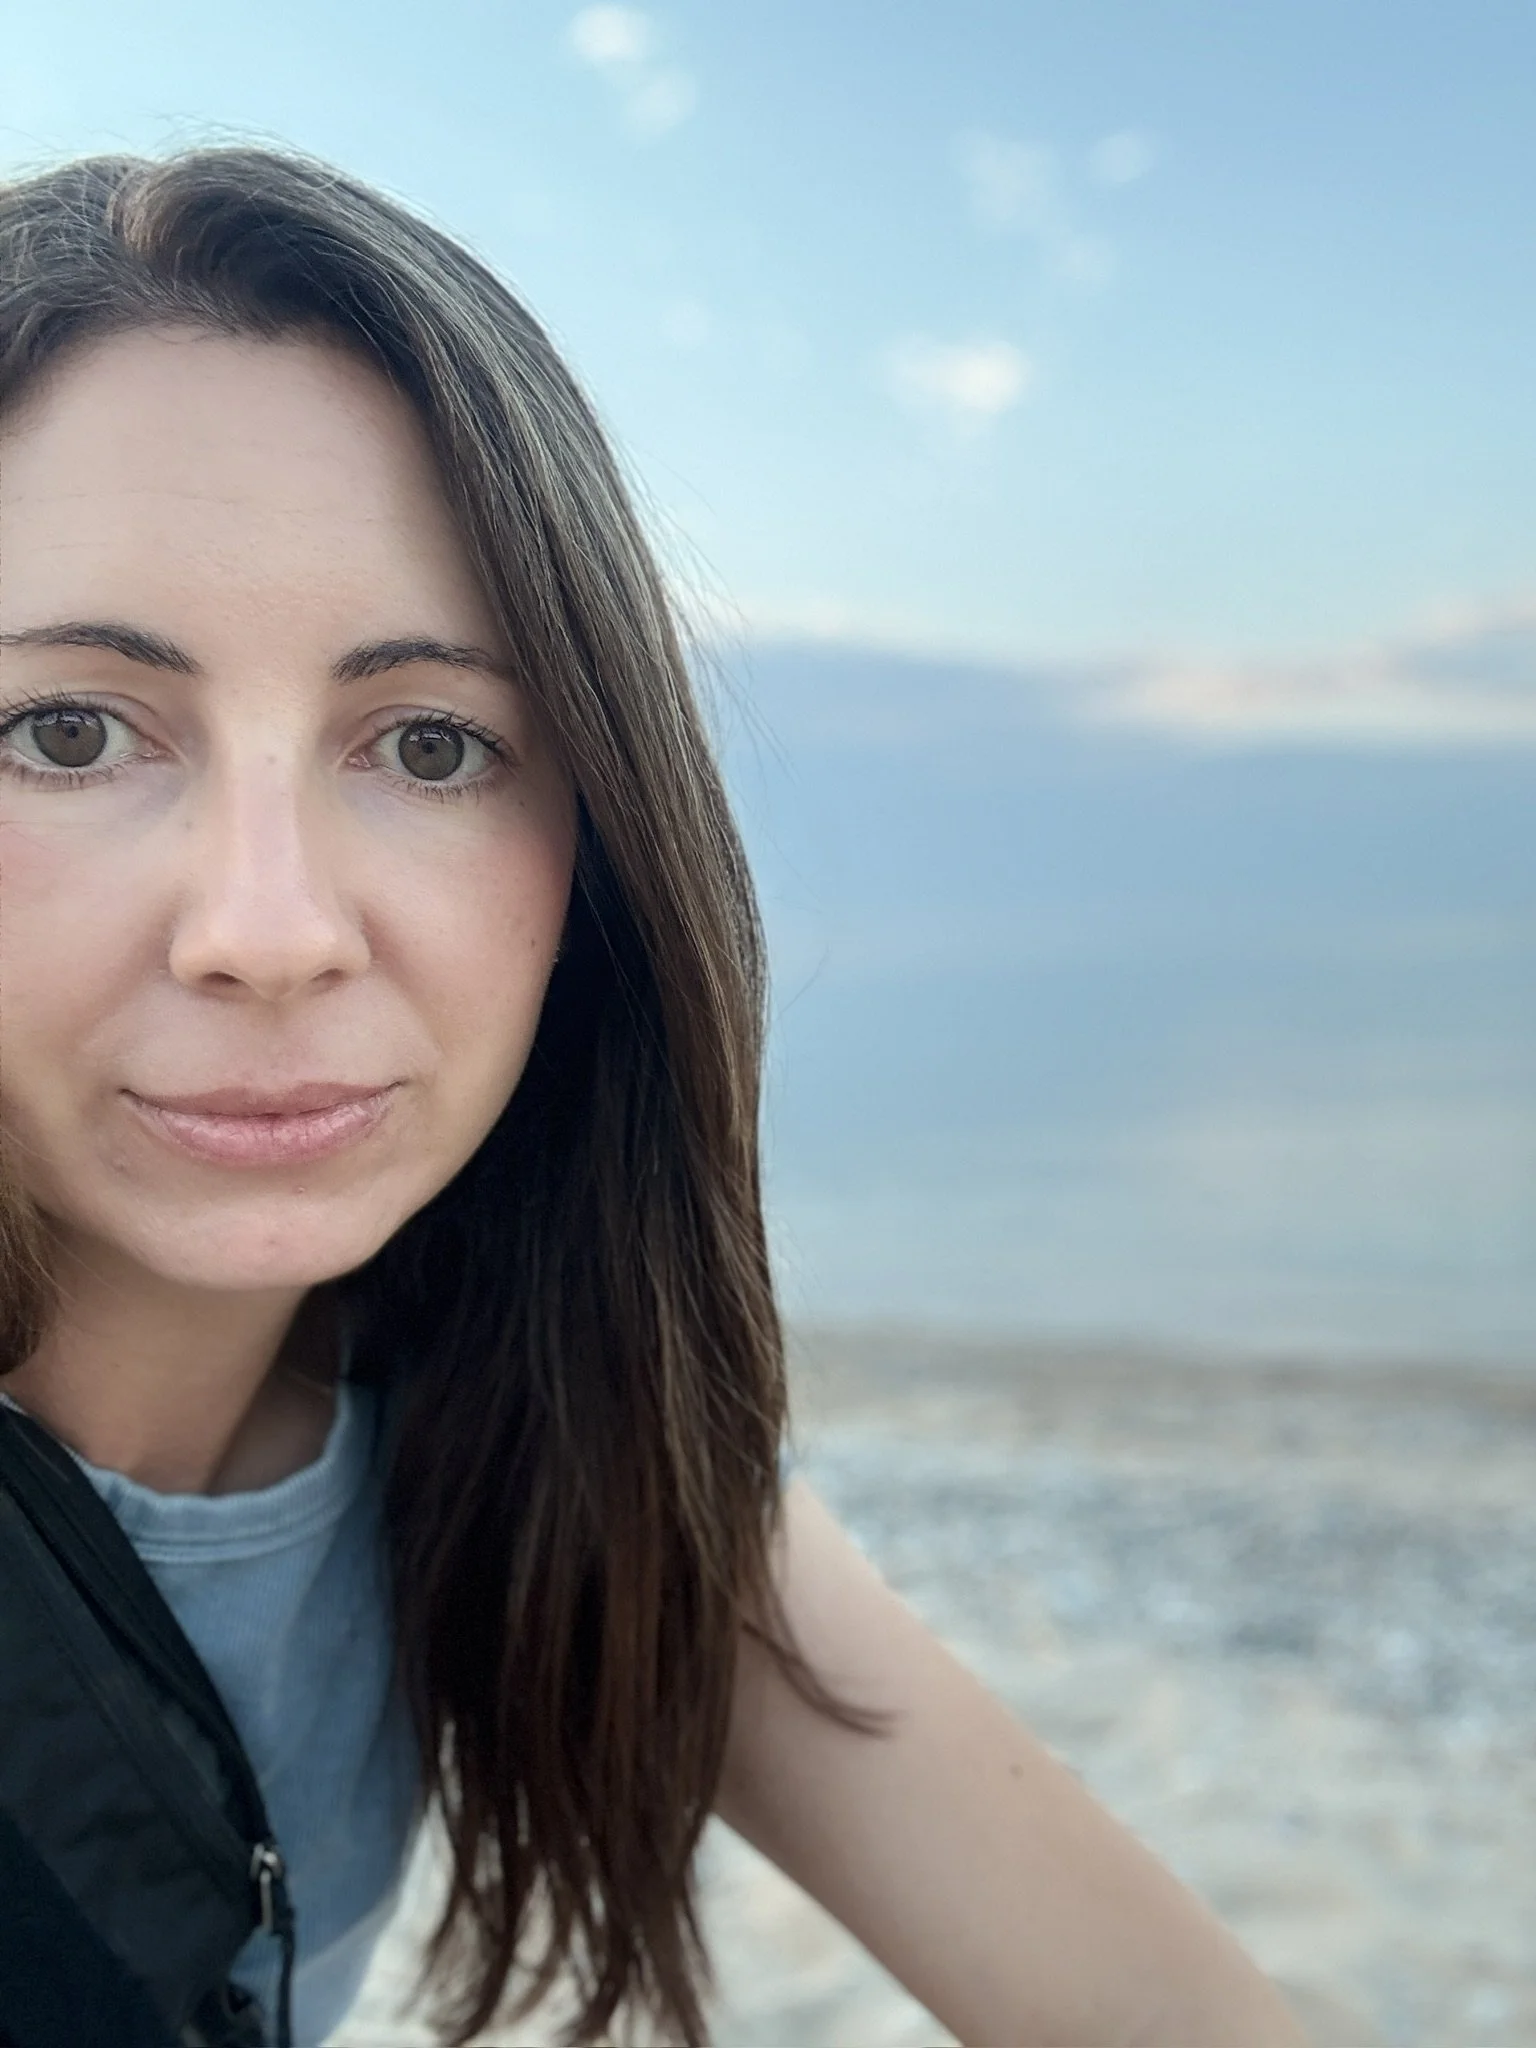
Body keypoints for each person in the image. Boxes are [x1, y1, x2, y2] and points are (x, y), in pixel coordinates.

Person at [0, 145, 1306, 2048]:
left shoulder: (546, 1425)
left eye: (433, 743)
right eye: (67, 731)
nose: (268, 932)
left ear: (594, 855)